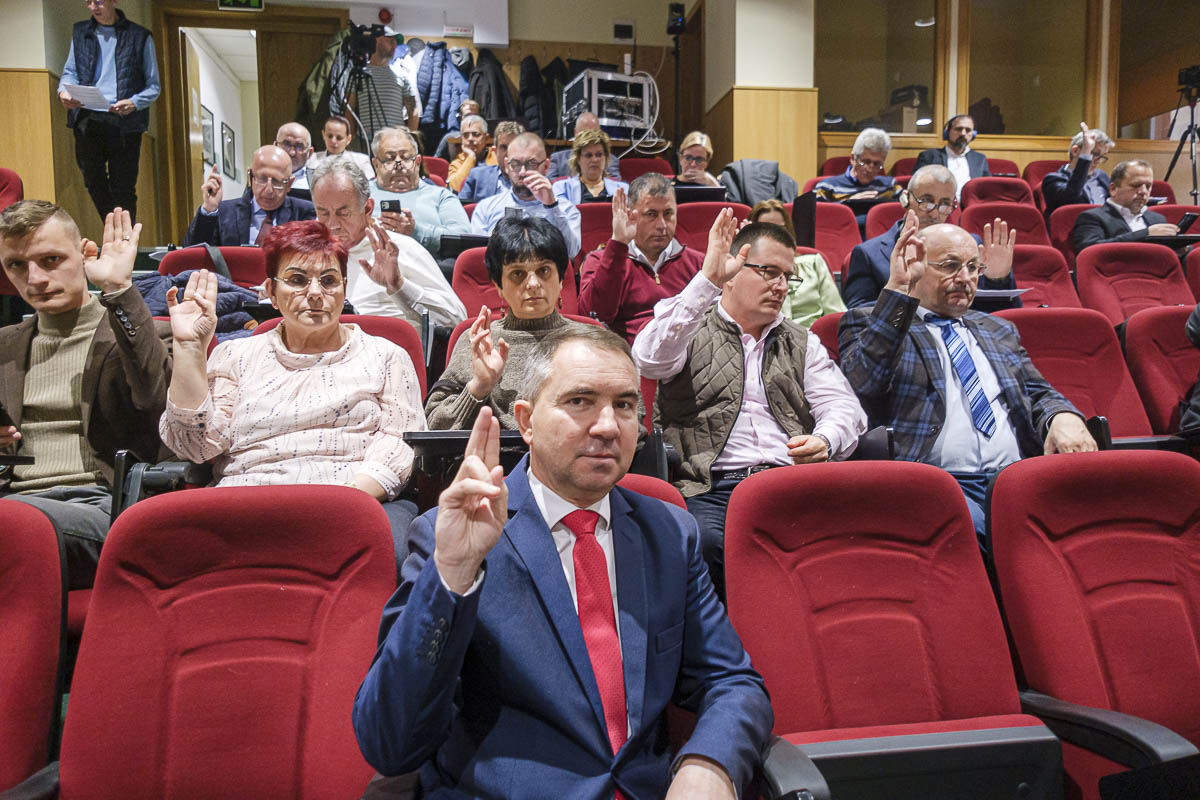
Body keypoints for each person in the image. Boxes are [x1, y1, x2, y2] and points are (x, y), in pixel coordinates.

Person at [353, 327, 773, 799]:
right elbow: (389, 744)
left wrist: (710, 763)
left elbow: (733, 682)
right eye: (580, 401)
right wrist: (452, 575)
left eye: (625, 405)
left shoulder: (670, 532)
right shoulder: (451, 536)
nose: (608, 426)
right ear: (526, 421)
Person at [159, 221, 425, 573]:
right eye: (298, 280)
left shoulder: (386, 356)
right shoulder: (235, 356)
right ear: (270, 289)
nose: (315, 292)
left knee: (392, 550)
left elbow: (398, 444)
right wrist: (190, 349)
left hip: (352, 502)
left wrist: (340, 503)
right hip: (246, 503)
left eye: (329, 281)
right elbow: (197, 446)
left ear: (345, 288)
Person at [633, 213, 866, 598]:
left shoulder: (800, 340)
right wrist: (707, 281)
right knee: (704, 544)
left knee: (849, 540)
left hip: (788, 481)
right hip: (710, 487)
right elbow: (650, 360)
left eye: (787, 277)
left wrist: (825, 440)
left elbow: (844, 407)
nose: (780, 286)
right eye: (769, 271)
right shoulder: (688, 322)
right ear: (735, 268)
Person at [838, 213, 1096, 540]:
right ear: (915, 264)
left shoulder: (998, 329)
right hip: (938, 484)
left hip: (1015, 477)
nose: (964, 277)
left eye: (973, 267)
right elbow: (864, 382)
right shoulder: (873, 322)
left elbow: (1038, 392)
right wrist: (898, 291)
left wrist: (1062, 416)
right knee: (1008, 534)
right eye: (949, 266)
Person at [0, 201, 170, 590]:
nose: (36, 278)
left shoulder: (140, 333)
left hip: (98, 507)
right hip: (12, 504)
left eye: (51, 259)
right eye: (16, 265)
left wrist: (118, 290)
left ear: (85, 253)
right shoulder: (3, 347)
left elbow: (156, 402)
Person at [426, 217, 592, 430]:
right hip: (496, 458)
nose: (532, 284)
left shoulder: (592, 341)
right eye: (517, 274)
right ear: (499, 286)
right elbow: (435, 427)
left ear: (561, 280)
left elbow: (631, 421)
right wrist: (479, 387)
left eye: (543, 271)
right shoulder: (479, 341)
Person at [842, 165, 1020, 312]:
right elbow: (860, 318)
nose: (934, 212)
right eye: (926, 200)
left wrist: (997, 281)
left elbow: (999, 317)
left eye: (944, 204)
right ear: (905, 199)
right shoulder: (869, 254)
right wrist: (904, 293)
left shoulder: (972, 246)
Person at [310, 159, 465, 329]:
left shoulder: (399, 249)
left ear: (368, 208)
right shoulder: (308, 254)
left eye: (343, 213)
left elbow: (456, 319)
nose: (333, 224)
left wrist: (398, 285)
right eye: (323, 213)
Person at [58, 0, 160, 224]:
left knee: (123, 187)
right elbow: (69, 72)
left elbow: (153, 86)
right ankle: (114, 227)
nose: (94, 7)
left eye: (100, 1)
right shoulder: (80, 32)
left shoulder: (139, 36)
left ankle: (124, 241)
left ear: (114, 1)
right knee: (92, 180)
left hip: (124, 122)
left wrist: (133, 102)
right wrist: (63, 92)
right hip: (87, 116)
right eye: (89, 1)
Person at [579, 175, 703, 343]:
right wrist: (618, 244)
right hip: (626, 360)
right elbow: (595, 317)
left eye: (668, 214)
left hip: (687, 358)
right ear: (630, 214)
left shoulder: (699, 264)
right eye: (651, 214)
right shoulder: (600, 260)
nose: (662, 225)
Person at [368, 126, 471, 272]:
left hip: (429, 273)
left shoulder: (440, 196)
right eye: (389, 159)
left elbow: (463, 237)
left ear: (417, 162)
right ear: (376, 164)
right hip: (370, 271)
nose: (399, 165)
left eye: (405, 157)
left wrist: (415, 232)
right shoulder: (361, 195)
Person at [470, 133, 582, 258]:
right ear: (507, 166)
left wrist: (551, 207)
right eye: (515, 164)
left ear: (546, 166)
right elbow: (479, 258)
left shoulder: (566, 209)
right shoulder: (485, 209)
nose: (522, 172)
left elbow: (571, 252)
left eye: (531, 164)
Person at [183, 145, 316, 247]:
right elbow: (192, 253)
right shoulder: (223, 212)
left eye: (277, 181)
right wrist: (209, 210)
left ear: (290, 184)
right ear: (250, 177)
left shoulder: (305, 214)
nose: (269, 189)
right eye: (262, 179)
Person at [748, 199, 845, 328]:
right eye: (765, 229)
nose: (774, 236)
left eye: (780, 229)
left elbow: (836, 315)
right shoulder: (747, 271)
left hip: (814, 341)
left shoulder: (813, 263)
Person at [1073, 159, 1177, 252]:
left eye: (1148, 186)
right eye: (1136, 185)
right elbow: (1089, 251)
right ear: (1113, 189)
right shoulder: (1091, 218)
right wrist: (1145, 234)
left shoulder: (1157, 219)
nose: (1143, 191)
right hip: (1116, 272)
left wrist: (1180, 249)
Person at [347, 27, 419, 147]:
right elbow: (350, 109)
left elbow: (413, 111)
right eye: (390, 40)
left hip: (395, 142)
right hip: (366, 142)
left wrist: (409, 139)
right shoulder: (359, 74)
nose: (394, 44)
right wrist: (352, 140)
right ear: (375, 40)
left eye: (395, 41)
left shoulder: (402, 75)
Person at [813, 128, 901, 224]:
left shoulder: (890, 186)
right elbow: (815, 219)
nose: (870, 169)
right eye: (865, 162)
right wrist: (849, 204)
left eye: (877, 164)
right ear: (852, 158)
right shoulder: (826, 187)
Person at [913, 115, 991, 200]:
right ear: (947, 132)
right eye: (958, 129)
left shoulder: (980, 159)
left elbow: (987, 187)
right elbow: (918, 185)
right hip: (939, 205)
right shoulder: (929, 156)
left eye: (968, 130)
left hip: (971, 205)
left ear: (973, 135)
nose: (963, 133)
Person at [1042, 122, 1113, 214]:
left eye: (1102, 156)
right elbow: (1070, 198)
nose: (1099, 161)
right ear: (1075, 151)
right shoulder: (1052, 179)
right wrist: (1085, 154)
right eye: (1095, 154)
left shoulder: (1101, 176)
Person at [553, 129, 629, 205]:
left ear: (605, 158)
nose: (595, 160)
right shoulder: (562, 188)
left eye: (599, 154)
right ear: (578, 159)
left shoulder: (623, 189)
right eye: (588, 155)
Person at [458, 120, 524, 204]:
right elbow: (460, 209)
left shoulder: (533, 179)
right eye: (504, 147)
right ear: (495, 150)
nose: (508, 152)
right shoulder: (477, 176)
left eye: (514, 146)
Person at [546, 112, 621, 181]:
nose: (589, 138)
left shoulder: (611, 160)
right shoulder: (558, 159)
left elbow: (617, 186)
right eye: (584, 133)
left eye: (594, 133)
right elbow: (549, 186)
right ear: (576, 133)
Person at [306, 115, 375, 182]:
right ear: (323, 135)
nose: (333, 141)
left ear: (348, 139)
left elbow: (370, 186)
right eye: (330, 136)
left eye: (339, 138)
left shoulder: (361, 161)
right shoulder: (311, 159)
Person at [446, 114, 494, 192]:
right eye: (466, 135)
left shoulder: (496, 157)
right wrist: (471, 158)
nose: (470, 139)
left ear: (486, 138)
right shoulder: (456, 164)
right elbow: (455, 188)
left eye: (476, 134)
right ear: (461, 139)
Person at [275, 122, 314, 192]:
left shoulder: (319, 179)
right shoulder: (261, 176)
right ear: (275, 146)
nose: (292, 153)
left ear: (310, 152)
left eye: (299, 146)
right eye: (286, 145)